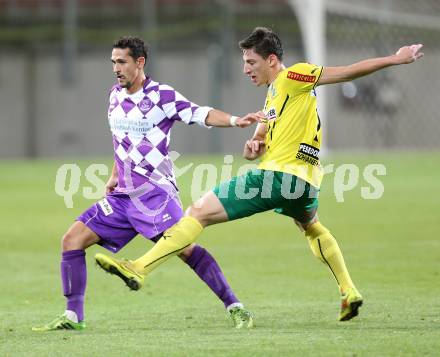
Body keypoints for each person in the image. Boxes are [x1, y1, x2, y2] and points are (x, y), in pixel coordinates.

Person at [94, 28, 424, 322]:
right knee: (311, 226)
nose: (245, 69)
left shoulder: (295, 76)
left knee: (197, 212)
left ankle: (138, 267)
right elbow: (264, 139)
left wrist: (396, 60)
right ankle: (348, 290)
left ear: (271, 60)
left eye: (251, 62)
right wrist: (256, 143)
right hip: (306, 183)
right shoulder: (275, 96)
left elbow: (346, 73)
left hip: (278, 178)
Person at [32, 36, 263, 332]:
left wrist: (234, 121)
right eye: (113, 62)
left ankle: (236, 307)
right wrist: (114, 175)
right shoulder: (114, 96)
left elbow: (199, 112)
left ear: (139, 62)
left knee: (187, 250)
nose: (116, 68)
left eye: (122, 62)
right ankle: (73, 317)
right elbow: (122, 142)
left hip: (154, 195)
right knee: (72, 240)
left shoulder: (161, 96)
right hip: (122, 197)